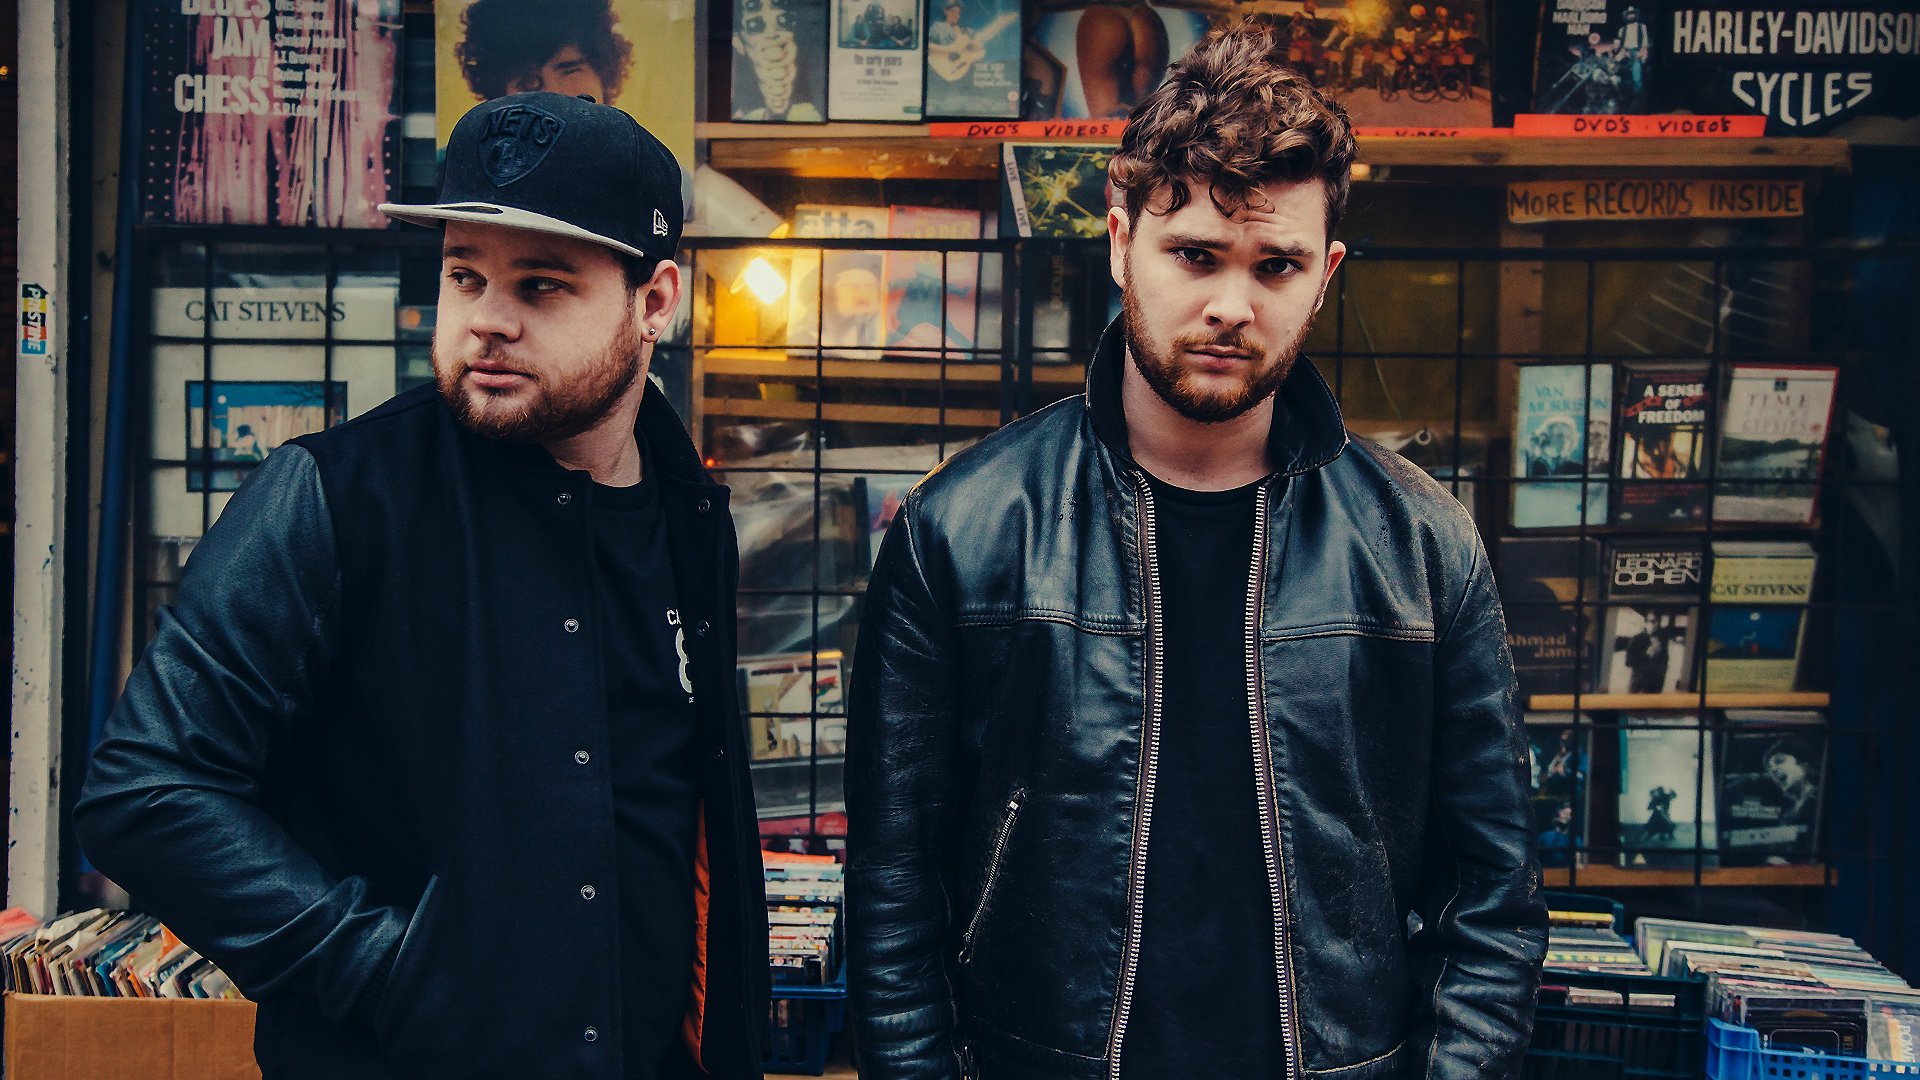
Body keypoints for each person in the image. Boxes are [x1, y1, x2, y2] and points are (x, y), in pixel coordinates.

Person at [846, 22, 1546, 1080]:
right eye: (1196, 255)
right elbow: (895, 898)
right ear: (1121, 241)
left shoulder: (1421, 545)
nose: (1231, 303)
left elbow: (1492, 903)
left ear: (1326, 276)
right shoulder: (963, 530)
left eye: (1277, 265)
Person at [76, 92, 770, 1080]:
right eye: (464, 276)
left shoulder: (687, 512)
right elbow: (144, 792)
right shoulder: (332, 497)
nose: (488, 320)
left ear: (655, 302)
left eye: (541, 287)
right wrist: (387, 970)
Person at [454, 0, 634, 103]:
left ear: (605, 72)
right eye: (528, 82)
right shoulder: (463, 163)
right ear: (499, 95)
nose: (554, 94)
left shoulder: (643, 162)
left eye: (570, 71)